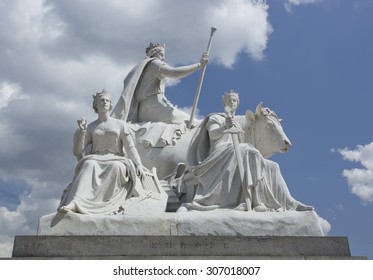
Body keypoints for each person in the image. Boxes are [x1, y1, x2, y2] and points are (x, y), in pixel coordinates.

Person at [178, 90, 313, 212]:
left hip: (236, 154)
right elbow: (213, 134)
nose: (232, 102)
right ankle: (255, 200)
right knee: (250, 151)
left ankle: (289, 204)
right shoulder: (216, 118)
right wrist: (225, 126)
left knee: (273, 166)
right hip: (219, 154)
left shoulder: (239, 121)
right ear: (224, 102)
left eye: (234, 100)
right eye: (229, 100)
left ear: (238, 103)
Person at [58, 90, 147, 214]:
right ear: (96, 105)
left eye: (107, 100)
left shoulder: (120, 124)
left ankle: (108, 205)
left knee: (115, 166)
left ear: (110, 105)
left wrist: (139, 165)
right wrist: (82, 132)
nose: (105, 102)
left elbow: (130, 147)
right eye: (101, 100)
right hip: (95, 158)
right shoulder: (90, 127)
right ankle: (76, 202)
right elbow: (77, 151)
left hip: (116, 159)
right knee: (89, 165)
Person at [111, 42, 208, 125]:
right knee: (194, 123)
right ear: (154, 53)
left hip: (144, 110)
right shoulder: (155, 64)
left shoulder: (142, 68)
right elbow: (175, 73)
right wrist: (199, 64)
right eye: (161, 54)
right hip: (154, 106)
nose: (164, 58)